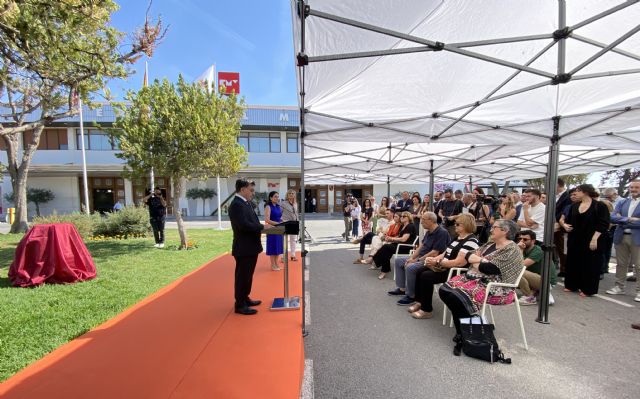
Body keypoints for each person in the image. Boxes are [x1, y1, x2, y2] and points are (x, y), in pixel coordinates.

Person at [439, 219, 523, 356]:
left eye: (494, 227)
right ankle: (468, 328)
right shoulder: (490, 244)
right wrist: (480, 261)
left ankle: (463, 332)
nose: (490, 230)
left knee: (457, 297)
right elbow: (466, 255)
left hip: (496, 286)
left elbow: (488, 269)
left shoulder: (512, 249)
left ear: (505, 231)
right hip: (474, 278)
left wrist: (477, 261)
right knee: (445, 290)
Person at [409, 213, 480, 319]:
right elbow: (445, 253)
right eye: (455, 224)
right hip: (445, 266)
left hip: (456, 271)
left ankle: (426, 309)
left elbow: (459, 262)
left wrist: (437, 263)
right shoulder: (457, 238)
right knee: (419, 271)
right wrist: (435, 259)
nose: (454, 226)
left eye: (457, 224)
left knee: (426, 276)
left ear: (466, 225)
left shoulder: (471, 241)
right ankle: (420, 301)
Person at [228, 179, 272, 315]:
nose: (253, 193)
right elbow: (243, 225)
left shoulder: (245, 203)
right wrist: (262, 227)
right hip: (244, 247)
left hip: (250, 246)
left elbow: (251, 221)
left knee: (248, 276)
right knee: (242, 277)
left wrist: (260, 226)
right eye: (251, 190)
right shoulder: (236, 205)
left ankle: (245, 298)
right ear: (242, 189)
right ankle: (239, 304)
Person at [388, 212, 450, 306]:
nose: (421, 222)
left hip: (431, 260)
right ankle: (402, 289)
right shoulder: (429, 231)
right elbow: (421, 246)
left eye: (423, 219)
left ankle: (411, 296)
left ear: (431, 221)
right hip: (421, 256)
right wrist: (412, 257)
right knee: (399, 260)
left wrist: (416, 260)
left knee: (410, 267)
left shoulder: (442, 232)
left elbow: (435, 253)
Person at [561, 184, 610, 297]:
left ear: (585, 192)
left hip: (592, 238)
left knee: (590, 263)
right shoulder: (574, 206)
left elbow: (603, 223)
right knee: (573, 261)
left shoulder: (599, 206)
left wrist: (594, 239)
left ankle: (588, 289)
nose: (575, 193)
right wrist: (565, 226)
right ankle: (571, 284)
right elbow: (567, 220)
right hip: (575, 238)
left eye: (578, 191)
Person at [606, 179, 640, 301]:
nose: (634, 190)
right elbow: (612, 217)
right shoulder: (623, 202)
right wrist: (631, 220)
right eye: (632, 187)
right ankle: (619, 287)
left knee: (639, 265)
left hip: (637, 238)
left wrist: (623, 220)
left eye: (636, 187)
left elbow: (619, 219)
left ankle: (639, 291)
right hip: (621, 236)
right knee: (621, 264)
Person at [371, 211, 416, 280]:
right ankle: (384, 270)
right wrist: (390, 239)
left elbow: (404, 239)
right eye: (401, 216)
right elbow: (398, 236)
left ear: (409, 217)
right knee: (386, 251)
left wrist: (392, 239)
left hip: (405, 247)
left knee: (386, 247)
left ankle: (375, 261)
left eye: (404, 216)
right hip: (399, 245)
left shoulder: (410, 226)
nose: (402, 217)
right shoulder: (403, 226)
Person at [517, 230, 557, 306]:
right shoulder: (525, 249)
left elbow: (521, 266)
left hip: (547, 282)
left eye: (525, 239)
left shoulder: (538, 251)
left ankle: (530, 297)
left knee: (517, 271)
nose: (522, 241)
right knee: (512, 272)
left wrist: (520, 250)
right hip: (536, 277)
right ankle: (535, 293)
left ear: (533, 241)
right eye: (520, 239)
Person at [554, 178, 573, 277]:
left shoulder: (568, 196)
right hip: (555, 227)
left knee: (563, 250)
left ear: (557, 185)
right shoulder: (556, 196)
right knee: (558, 250)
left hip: (562, 227)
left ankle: (564, 270)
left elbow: (565, 212)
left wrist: (558, 221)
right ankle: (561, 269)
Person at [264, 191, 284, 271]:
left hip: (279, 229)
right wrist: (277, 223)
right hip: (272, 229)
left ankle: (276, 264)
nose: (277, 198)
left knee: (278, 247)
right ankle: (273, 265)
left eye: (277, 196)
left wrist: (283, 221)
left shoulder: (278, 206)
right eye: (275, 196)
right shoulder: (268, 206)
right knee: (273, 247)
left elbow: (279, 217)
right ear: (271, 197)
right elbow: (267, 219)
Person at [280, 189, 299, 261]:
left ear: (294, 195)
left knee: (293, 240)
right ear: (287, 195)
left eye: (293, 193)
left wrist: (297, 221)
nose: (291, 194)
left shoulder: (295, 203)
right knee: (285, 240)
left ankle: (293, 255)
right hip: (286, 222)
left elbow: (296, 213)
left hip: (294, 223)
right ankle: (283, 256)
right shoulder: (283, 203)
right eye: (290, 193)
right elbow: (280, 213)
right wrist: (281, 220)